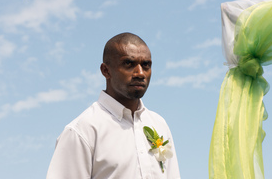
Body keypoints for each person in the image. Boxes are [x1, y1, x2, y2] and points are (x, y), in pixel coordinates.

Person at [46, 32, 180, 179]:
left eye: (146, 65)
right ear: (106, 70)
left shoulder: (159, 124)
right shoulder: (83, 131)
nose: (140, 73)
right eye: (129, 64)